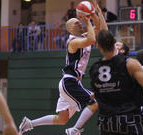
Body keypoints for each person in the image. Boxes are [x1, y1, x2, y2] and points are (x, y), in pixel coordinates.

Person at [18, 1, 106, 135]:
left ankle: (29, 123)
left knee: (61, 119)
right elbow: (92, 40)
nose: (79, 23)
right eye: (76, 22)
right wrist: (88, 20)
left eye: (79, 21)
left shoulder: (82, 37)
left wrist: (94, 13)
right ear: (70, 28)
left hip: (71, 82)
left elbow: (99, 28)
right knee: (95, 102)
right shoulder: (73, 42)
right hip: (69, 82)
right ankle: (75, 130)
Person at [89, 30, 143, 135]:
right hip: (129, 119)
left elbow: (96, 95)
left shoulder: (94, 68)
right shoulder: (129, 63)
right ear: (114, 41)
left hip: (106, 122)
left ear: (98, 46)